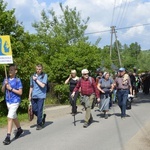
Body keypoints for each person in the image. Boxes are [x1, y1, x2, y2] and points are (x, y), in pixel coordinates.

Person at [1, 64, 23, 145]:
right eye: (9, 70)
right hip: (8, 101)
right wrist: (5, 85)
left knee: (9, 117)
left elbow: (20, 92)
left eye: (11, 70)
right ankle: (19, 129)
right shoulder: (6, 79)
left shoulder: (18, 80)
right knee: (14, 116)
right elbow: (3, 90)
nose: (10, 71)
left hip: (15, 101)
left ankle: (8, 136)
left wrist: (11, 89)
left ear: (15, 71)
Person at [28, 64, 47, 130]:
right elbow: (31, 86)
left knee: (39, 110)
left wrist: (36, 80)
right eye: (37, 69)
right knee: (34, 110)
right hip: (34, 96)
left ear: (42, 69)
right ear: (35, 69)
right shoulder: (32, 76)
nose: (38, 70)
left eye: (40, 69)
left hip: (41, 96)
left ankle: (39, 124)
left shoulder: (44, 76)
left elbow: (42, 85)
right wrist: (29, 95)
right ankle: (42, 118)